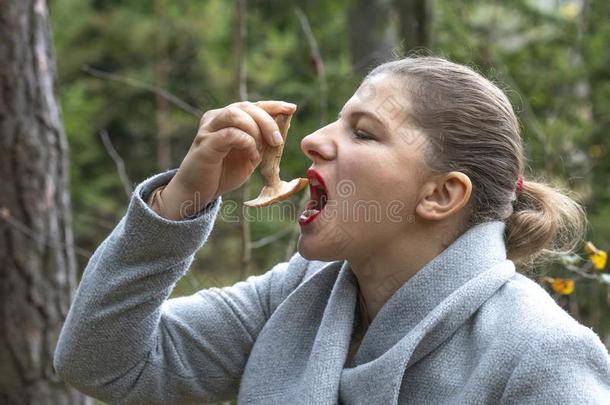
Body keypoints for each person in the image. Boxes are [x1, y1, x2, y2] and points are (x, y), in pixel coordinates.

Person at [54, 56, 610, 404]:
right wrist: (183, 198)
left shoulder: (541, 357)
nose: (312, 141)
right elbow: (103, 364)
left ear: (441, 195)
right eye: (336, 120)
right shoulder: (297, 294)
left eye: (363, 133)